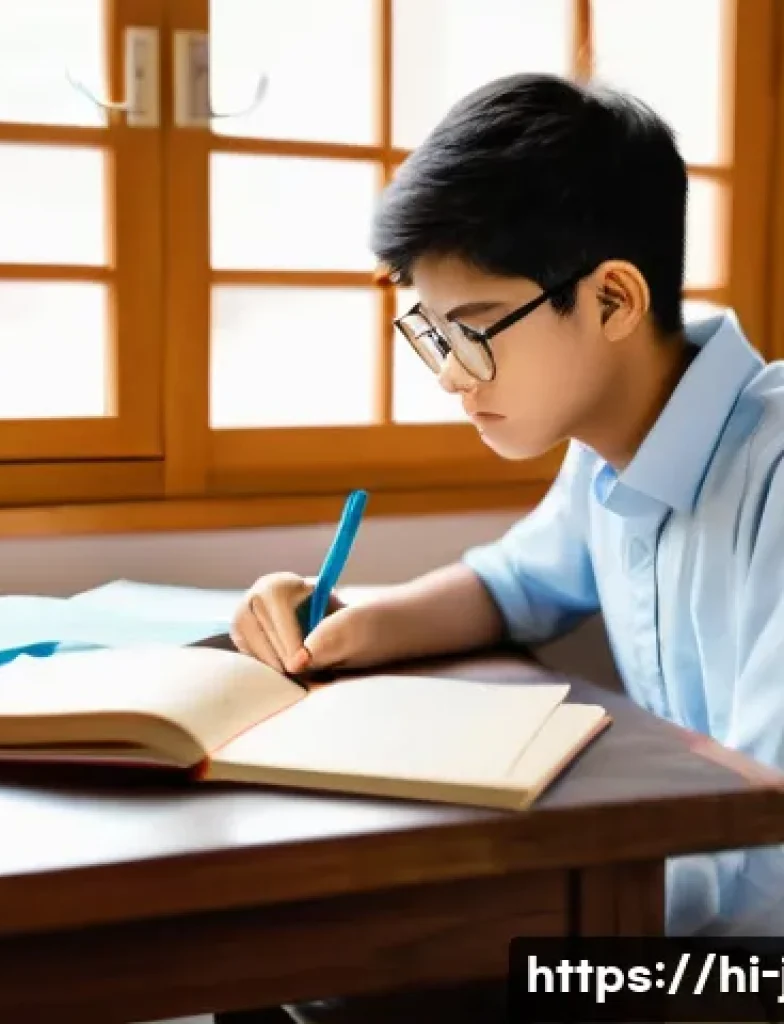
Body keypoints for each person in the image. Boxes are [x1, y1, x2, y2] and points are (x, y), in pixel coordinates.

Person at [229, 71, 784, 1021]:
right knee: (299, 975)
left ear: (612, 301)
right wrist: (350, 619)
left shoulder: (771, 466)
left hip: (755, 956)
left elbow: (768, 835)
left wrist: (515, 907)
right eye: (432, 336)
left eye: (475, 332)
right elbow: (514, 583)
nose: (450, 377)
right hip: (682, 898)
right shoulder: (615, 438)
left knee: (348, 982)